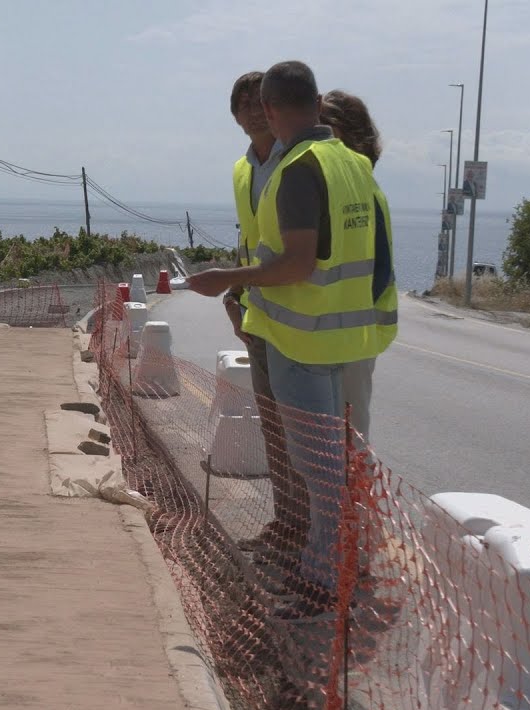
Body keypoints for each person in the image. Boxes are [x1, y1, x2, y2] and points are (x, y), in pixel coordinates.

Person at [187, 61, 398, 620]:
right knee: (339, 466)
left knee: (321, 473)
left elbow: (298, 263)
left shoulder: (300, 167)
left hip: (305, 343)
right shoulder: (352, 163)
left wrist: (226, 281)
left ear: (276, 110)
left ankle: (323, 586)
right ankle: (332, 569)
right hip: (347, 336)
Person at [221, 71, 306, 561]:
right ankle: (286, 523)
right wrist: (234, 295)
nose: (253, 110)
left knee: (302, 435)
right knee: (273, 429)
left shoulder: (296, 160)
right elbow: (250, 241)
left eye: (260, 102)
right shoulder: (243, 169)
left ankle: (312, 539)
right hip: (259, 315)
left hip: (298, 317)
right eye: (243, 103)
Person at [318, 89, 397, 443]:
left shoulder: (360, 188)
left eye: (324, 129)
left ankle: (354, 499)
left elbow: (378, 270)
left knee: (349, 439)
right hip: (335, 337)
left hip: (352, 338)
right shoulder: (343, 186)